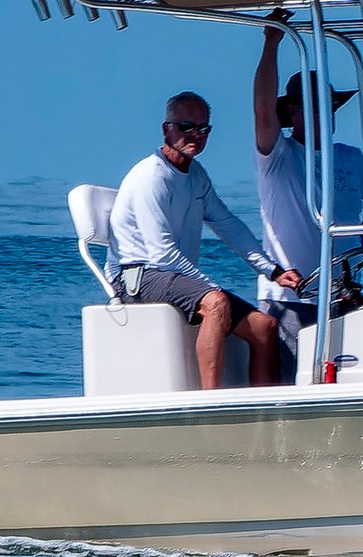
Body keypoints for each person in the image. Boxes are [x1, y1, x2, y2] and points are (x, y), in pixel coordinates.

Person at [110, 90, 302, 388]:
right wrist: (212, 288)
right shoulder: (152, 177)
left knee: (265, 327)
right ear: (167, 129)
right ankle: (209, 403)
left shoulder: (196, 175)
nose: (195, 135)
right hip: (138, 276)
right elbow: (162, 255)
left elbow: (228, 224)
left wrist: (273, 271)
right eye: (187, 127)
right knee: (216, 303)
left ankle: (267, 414)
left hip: (170, 275)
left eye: (203, 129)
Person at [252, 22, 363, 368]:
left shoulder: (352, 156)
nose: (325, 113)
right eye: (315, 106)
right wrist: (271, 44)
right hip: (291, 298)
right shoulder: (278, 155)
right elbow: (261, 111)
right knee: (295, 380)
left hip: (345, 294)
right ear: (292, 111)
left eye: (329, 105)